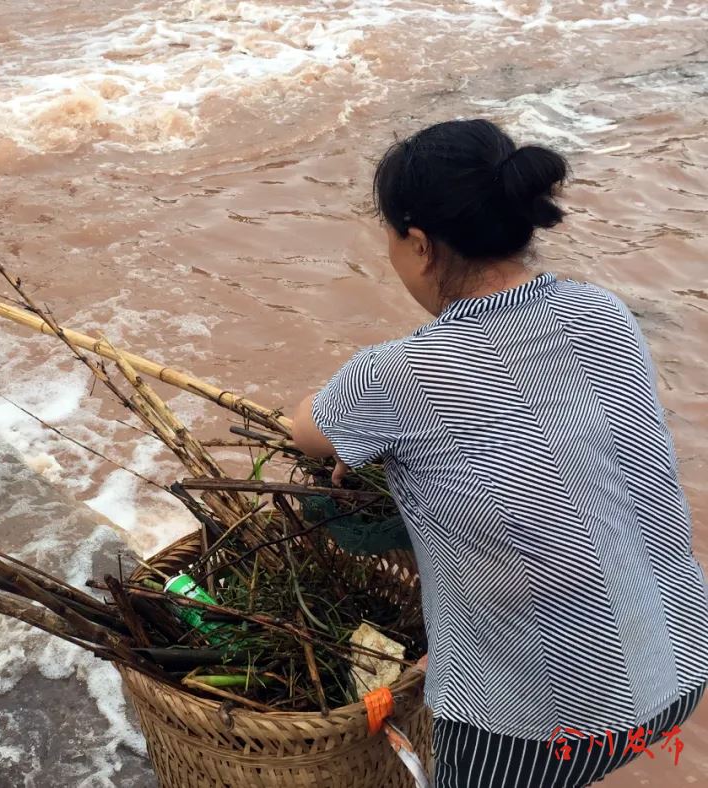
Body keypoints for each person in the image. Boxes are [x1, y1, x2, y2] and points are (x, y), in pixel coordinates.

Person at [291, 119, 708, 787]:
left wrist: (364, 436)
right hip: (680, 660)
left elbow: (306, 431)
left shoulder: (397, 374)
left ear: (420, 246)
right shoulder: (603, 312)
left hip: (539, 729)